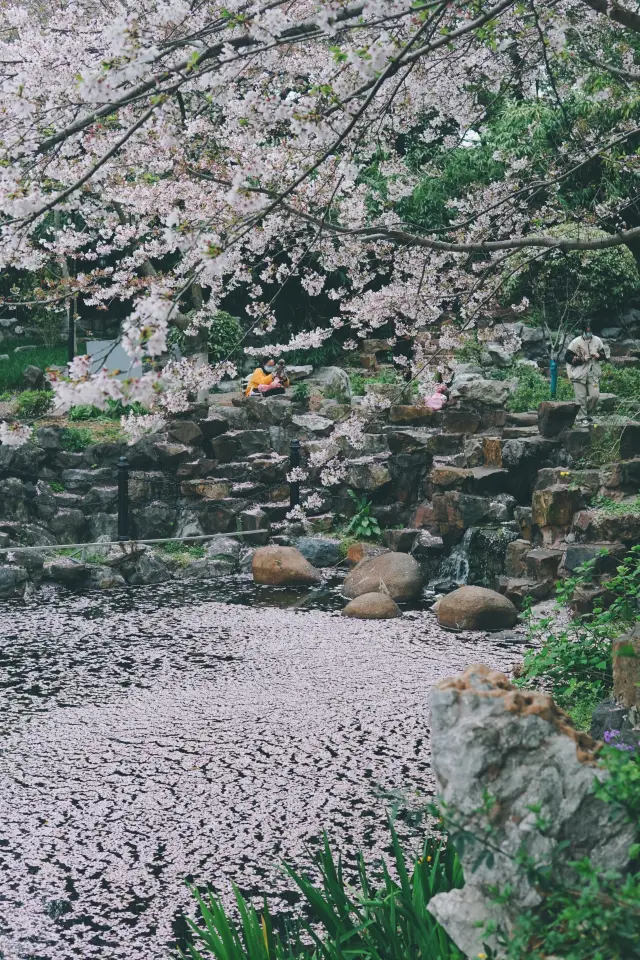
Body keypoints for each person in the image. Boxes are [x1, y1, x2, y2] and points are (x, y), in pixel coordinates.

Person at [564, 321, 608, 424]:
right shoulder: (575, 342)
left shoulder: (597, 341)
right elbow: (567, 357)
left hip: (593, 372)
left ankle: (588, 414)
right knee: (581, 398)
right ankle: (582, 417)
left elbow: (605, 354)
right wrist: (581, 359)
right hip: (579, 373)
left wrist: (599, 356)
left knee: (595, 395)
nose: (588, 333)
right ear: (583, 331)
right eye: (586, 331)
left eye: (590, 331)